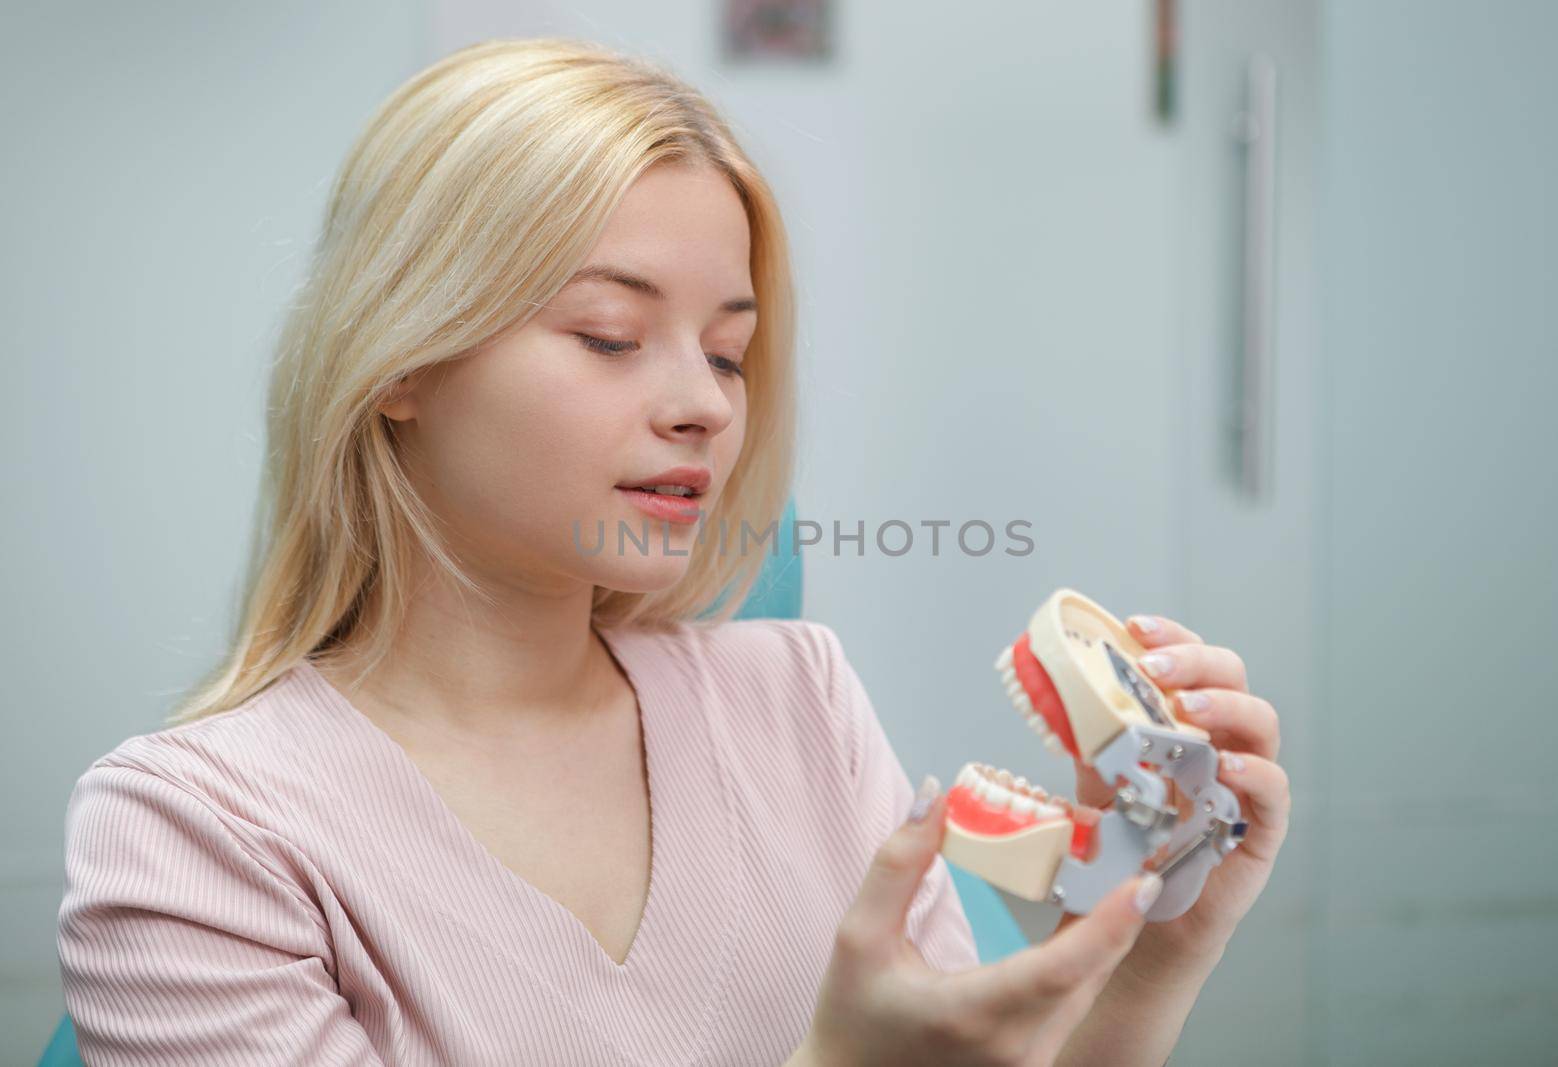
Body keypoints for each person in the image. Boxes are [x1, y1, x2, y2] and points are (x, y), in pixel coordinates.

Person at [56, 37, 1290, 1066]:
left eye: (729, 351)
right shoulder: (195, 831)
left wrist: (1151, 961)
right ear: (401, 364)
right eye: (608, 334)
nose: (702, 403)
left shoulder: (797, 701)